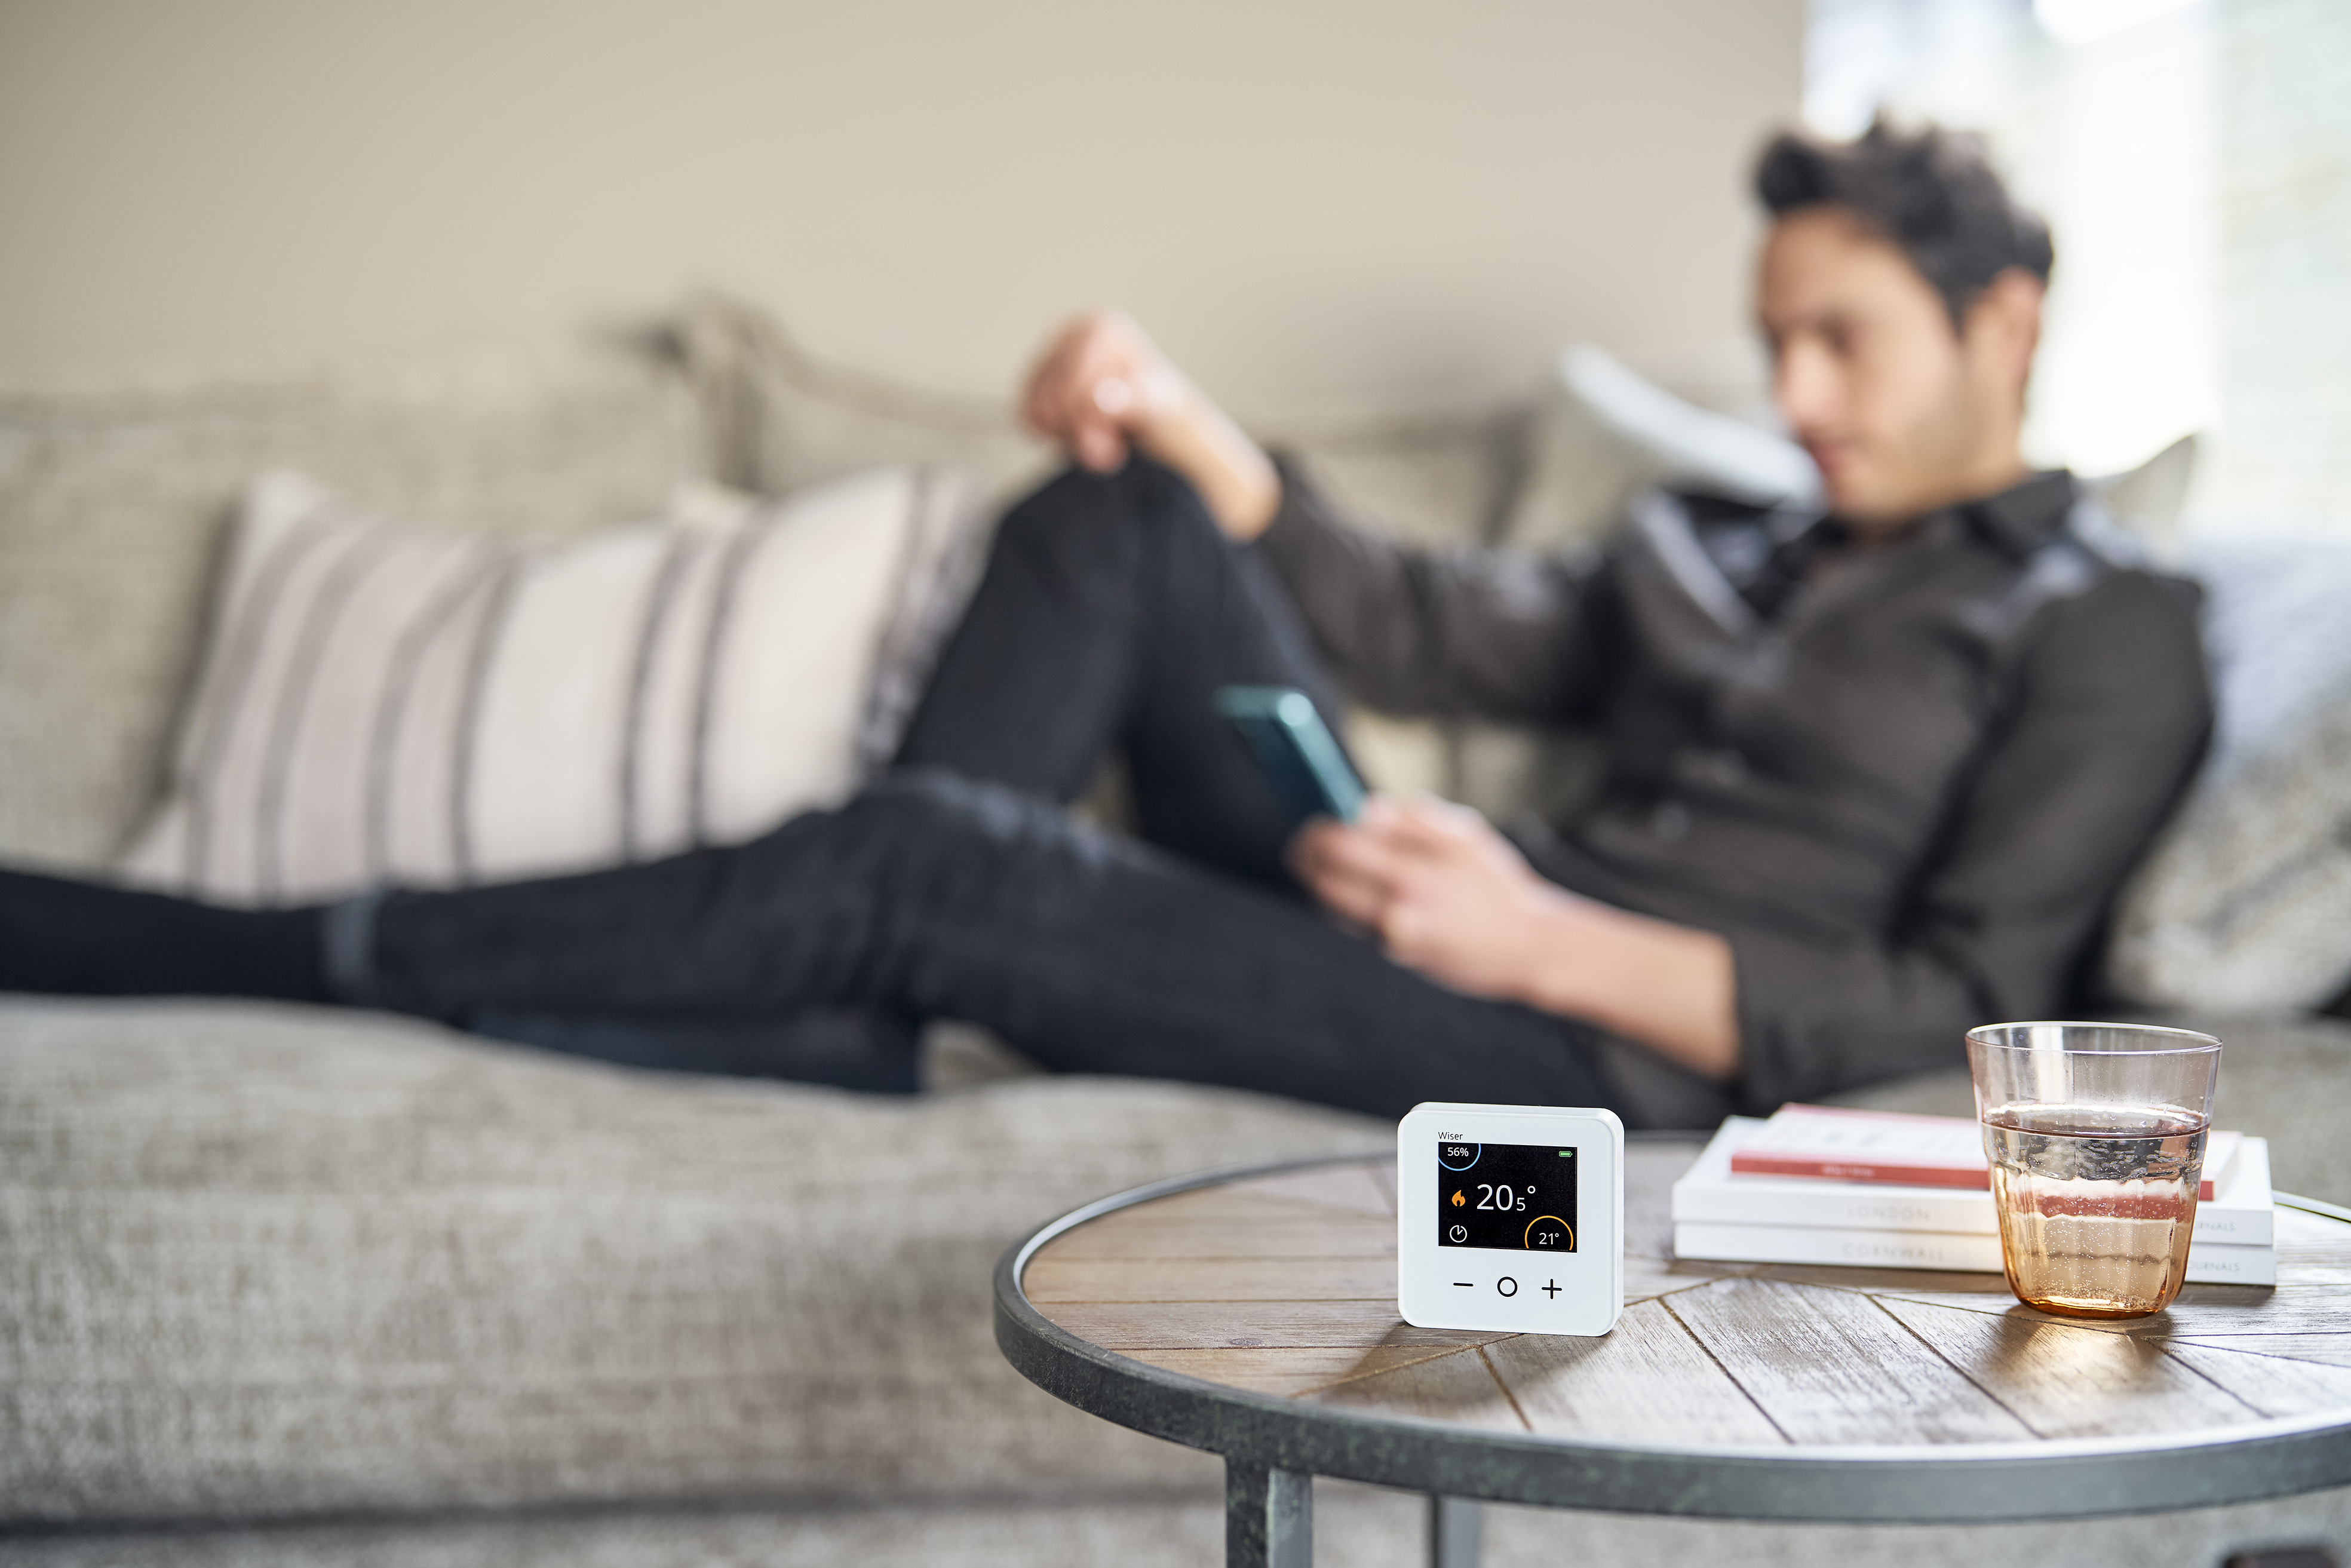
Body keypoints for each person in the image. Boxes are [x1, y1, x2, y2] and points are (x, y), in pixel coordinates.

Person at [0, 119, 2211, 1128]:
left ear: (2003, 318)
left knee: (939, 861)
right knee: (1120, 509)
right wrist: (1191, 429)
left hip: (1576, 1054)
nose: (1794, 397)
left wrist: (1536, 937)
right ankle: (871, 961)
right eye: (1773, 345)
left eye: (1842, 344)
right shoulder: (1721, 538)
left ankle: (272, 943)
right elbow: (1419, 622)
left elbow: (1972, 1007)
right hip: (1419, 926)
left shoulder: (2107, 626)